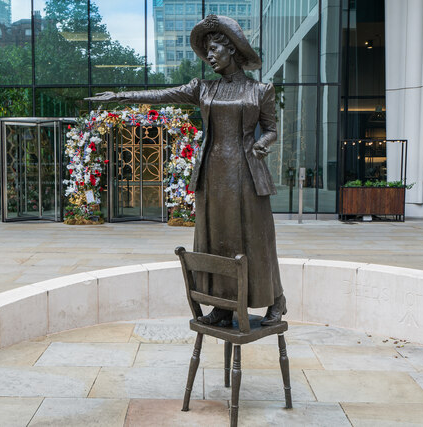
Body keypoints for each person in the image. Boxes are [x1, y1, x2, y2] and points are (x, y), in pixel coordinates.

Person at [87, 15, 286, 326]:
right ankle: (222, 305)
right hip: (213, 175)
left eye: (214, 49)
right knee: (216, 240)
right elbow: (161, 95)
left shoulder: (261, 90)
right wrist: (120, 97)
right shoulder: (203, 89)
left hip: (247, 176)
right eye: (206, 50)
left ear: (232, 50)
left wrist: (264, 143)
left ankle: (276, 301)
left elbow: (272, 129)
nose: (209, 56)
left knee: (255, 239)